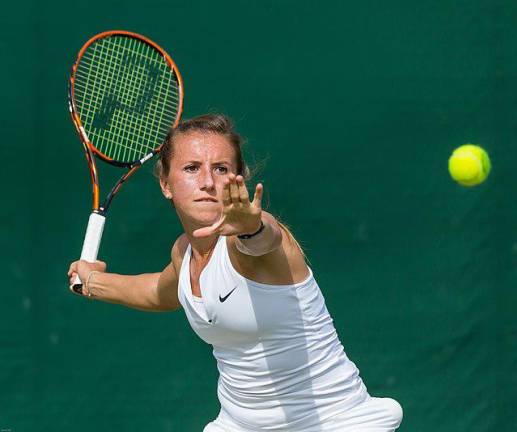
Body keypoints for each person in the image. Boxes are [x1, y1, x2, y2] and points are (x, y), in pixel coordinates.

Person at [68, 114, 403, 431]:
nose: (208, 182)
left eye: (221, 168)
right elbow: (158, 291)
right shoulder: (184, 253)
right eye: (191, 168)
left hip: (336, 423)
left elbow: (263, 238)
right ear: (166, 184)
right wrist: (91, 282)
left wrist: (249, 227)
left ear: (239, 178)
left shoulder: (259, 243)